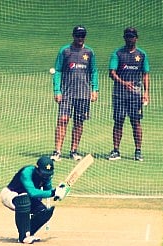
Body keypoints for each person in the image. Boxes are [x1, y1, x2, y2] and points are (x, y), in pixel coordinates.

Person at [52, 25, 98, 162]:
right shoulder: (65, 51)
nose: (80, 38)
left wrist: (95, 89)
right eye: (78, 35)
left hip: (83, 93)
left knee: (79, 122)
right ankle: (57, 151)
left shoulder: (89, 52)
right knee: (63, 120)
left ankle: (74, 151)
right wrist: (57, 90)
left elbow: (94, 71)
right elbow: (58, 71)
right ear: (73, 36)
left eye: (82, 35)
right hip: (67, 93)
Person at [107, 27, 150, 162]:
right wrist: (124, 83)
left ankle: (138, 151)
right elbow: (112, 73)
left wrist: (146, 92)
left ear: (136, 38)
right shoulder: (117, 54)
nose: (130, 39)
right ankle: (116, 150)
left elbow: (145, 74)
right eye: (127, 37)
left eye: (132, 37)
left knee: (136, 122)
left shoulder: (141, 55)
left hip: (135, 95)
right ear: (124, 38)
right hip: (119, 95)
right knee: (118, 121)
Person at [0, 155, 60, 243]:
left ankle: (28, 233)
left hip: (28, 198)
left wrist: (59, 193)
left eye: (48, 174)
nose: (45, 176)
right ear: (37, 169)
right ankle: (23, 237)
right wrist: (53, 192)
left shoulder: (47, 178)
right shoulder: (27, 172)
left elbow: (48, 191)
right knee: (24, 198)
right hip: (10, 195)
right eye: (43, 174)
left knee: (44, 212)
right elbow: (32, 192)